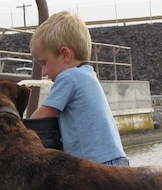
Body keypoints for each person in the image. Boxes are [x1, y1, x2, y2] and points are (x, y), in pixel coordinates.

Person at [29, 11, 129, 166]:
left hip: (95, 163)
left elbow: (44, 113)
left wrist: (19, 131)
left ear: (65, 55)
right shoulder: (88, 74)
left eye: (44, 63)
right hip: (115, 158)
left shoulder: (68, 78)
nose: (44, 72)